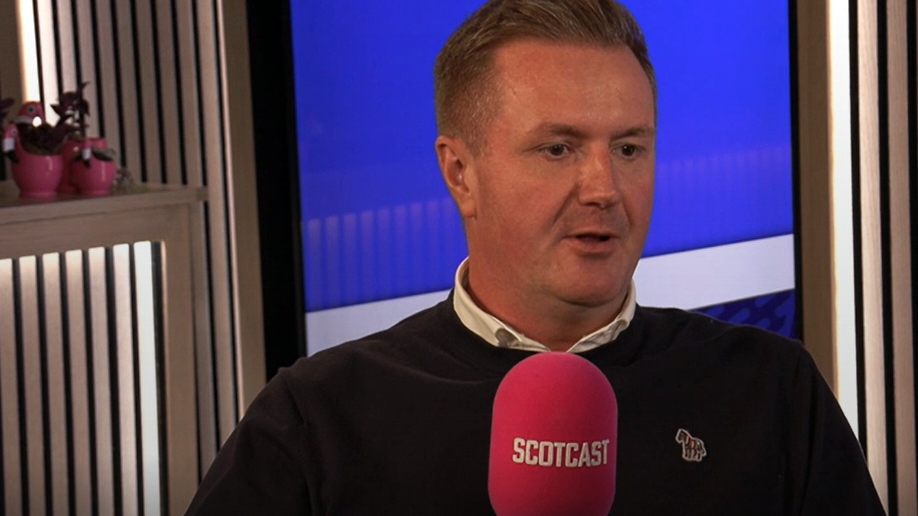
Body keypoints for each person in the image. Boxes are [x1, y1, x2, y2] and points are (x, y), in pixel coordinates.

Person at [186, 0, 885, 514]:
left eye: (630, 148)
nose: (604, 188)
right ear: (461, 174)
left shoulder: (772, 391)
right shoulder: (315, 419)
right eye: (558, 149)